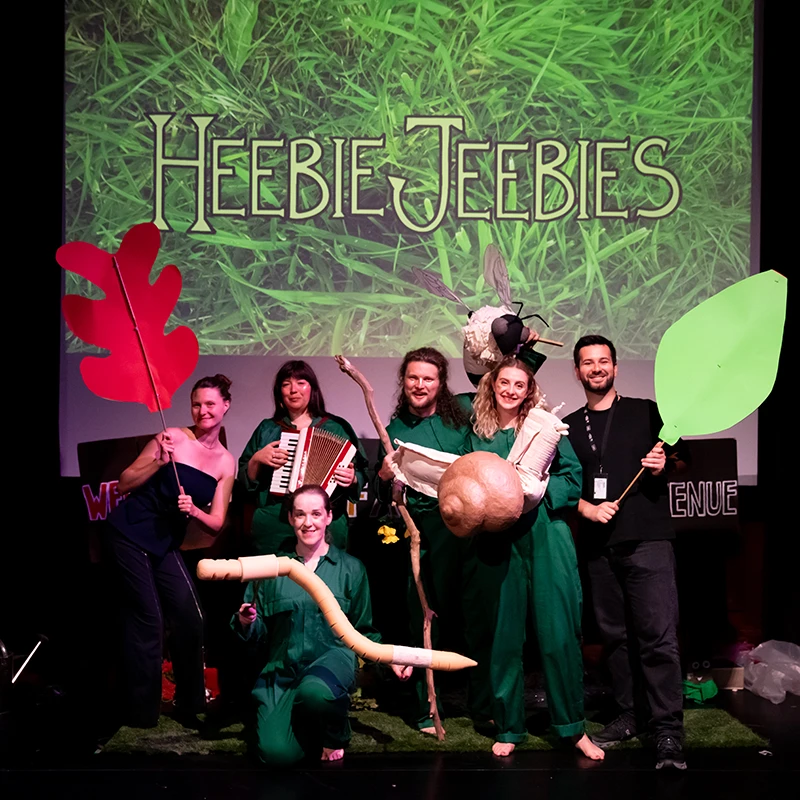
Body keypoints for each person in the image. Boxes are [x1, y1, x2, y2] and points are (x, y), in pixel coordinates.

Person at [461, 355, 604, 760]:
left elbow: (573, 476)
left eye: (519, 385)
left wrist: (541, 495)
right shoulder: (477, 433)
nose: (510, 390)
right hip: (498, 541)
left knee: (559, 634)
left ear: (529, 391)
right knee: (504, 638)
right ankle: (509, 726)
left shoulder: (544, 426)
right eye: (503, 382)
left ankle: (573, 727)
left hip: (546, 534)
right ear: (492, 385)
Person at [562, 335, 687, 770]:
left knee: (657, 639)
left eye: (603, 361)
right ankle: (631, 715)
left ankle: (668, 730)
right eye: (587, 362)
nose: (596, 368)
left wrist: (663, 464)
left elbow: (682, 461)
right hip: (598, 548)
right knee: (615, 640)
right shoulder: (569, 427)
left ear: (615, 367)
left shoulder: (647, 411)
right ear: (577, 372)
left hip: (648, 542)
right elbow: (557, 483)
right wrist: (585, 508)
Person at [233, 484, 411, 765]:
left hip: (331, 663)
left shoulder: (351, 569)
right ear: (291, 518)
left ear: (329, 516)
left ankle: (335, 732)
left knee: (315, 692)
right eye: (300, 514)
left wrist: (392, 658)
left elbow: (364, 631)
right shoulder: (270, 569)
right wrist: (246, 621)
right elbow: (257, 635)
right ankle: (308, 725)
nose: (308, 522)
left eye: (316, 514)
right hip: (284, 671)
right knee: (275, 755)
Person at [103, 374, 236, 728]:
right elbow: (123, 484)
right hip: (129, 533)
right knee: (149, 620)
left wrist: (194, 510)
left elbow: (218, 521)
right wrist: (159, 462)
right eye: (197, 404)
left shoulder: (226, 461)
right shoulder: (173, 437)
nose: (203, 411)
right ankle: (141, 713)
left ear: (225, 406)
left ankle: (190, 703)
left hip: (164, 544)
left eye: (210, 404)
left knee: (191, 616)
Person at [376, 347, 472, 734]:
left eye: (428, 378)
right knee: (421, 617)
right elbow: (383, 496)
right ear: (404, 381)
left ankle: (474, 701)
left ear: (440, 383)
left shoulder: (458, 423)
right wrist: (384, 477)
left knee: (464, 615)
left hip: (461, 533)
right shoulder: (394, 429)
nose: (420, 385)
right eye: (413, 378)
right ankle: (423, 709)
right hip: (417, 535)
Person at [239, 360, 367, 555]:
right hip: (278, 517)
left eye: (301, 382)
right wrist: (257, 459)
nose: (293, 390)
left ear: (312, 389)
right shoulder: (268, 428)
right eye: (285, 384)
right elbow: (244, 478)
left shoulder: (336, 427)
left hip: (324, 519)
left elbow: (361, 470)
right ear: (279, 392)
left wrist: (353, 478)